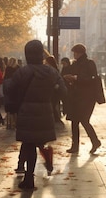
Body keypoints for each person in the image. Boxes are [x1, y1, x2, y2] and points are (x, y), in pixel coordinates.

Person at [6, 40, 67, 189]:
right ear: (41, 54)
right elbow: (63, 91)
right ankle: (47, 159)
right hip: (45, 112)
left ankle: (28, 178)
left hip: (26, 113)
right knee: (40, 141)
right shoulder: (51, 72)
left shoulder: (22, 72)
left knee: (28, 144)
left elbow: (10, 90)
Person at [62, 44, 102, 154]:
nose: (74, 54)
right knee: (74, 122)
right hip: (76, 97)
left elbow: (92, 79)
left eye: (75, 52)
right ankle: (75, 146)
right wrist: (69, 78)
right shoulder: (75, 64)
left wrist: (76, 78)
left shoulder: (89, 63)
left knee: (84, 120)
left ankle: (95, 141)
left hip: (87, 97)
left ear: (80, 53)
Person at [44, 54, 63, 125]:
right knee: (52, 105)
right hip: (54, 91)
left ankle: (56, 119)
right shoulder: (55, 69)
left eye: (46, 62)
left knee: (51, 105)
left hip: (54, 91)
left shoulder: (52, 70)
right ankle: (56, 119)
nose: (45, 64)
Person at [3, 57, 20, 130]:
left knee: (8, 109)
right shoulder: (18, 68)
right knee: (15, 109)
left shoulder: (7, 69)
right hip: (16, 90)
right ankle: (15, 123)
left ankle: (8, 123)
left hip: (7, 89)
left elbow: (4, 78)